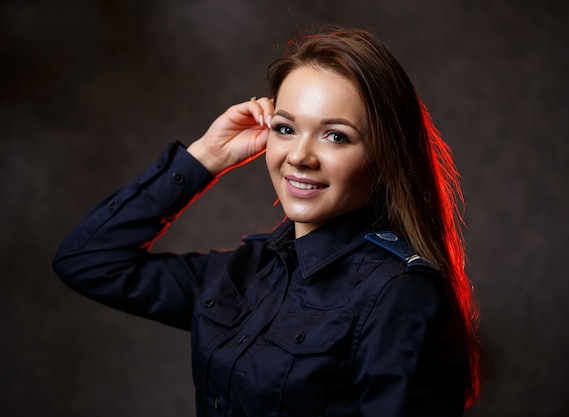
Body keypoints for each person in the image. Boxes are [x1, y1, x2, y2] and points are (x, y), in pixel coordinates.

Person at [53, 25, 480, 416]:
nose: (299, 157)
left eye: (336, 135)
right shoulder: (242, 272)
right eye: (286, 129)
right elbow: (88, 260)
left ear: (385, 157)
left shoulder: (398, 295)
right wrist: (207, 157)